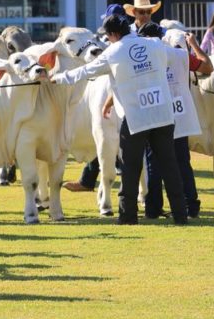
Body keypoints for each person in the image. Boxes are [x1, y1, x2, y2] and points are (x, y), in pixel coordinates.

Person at [52, 15, 188, 225]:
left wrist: (57, 78)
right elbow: (180, 55)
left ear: (113, 35)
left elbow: (84, 71)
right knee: (169, 165)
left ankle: (128, 216)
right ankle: (180, 214)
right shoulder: (154, 44)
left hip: (136, 118)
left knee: (130, 169)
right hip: (163, 114)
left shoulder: (113, 52)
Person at [140, 23, 212, 219]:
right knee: (182, 164)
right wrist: (194, 44)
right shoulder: (178, 55)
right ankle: (191, 206)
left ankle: (153, 209)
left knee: (154, 165)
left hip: (154, 116)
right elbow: (207, 66)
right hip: (178, 117)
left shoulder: (140, 59)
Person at [64, 3, 130, 193]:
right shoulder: (105, 42)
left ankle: (139, 192)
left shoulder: (115, 44)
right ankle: (87, 180)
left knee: (118, 142)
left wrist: (63, 78)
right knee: (103, 138)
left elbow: (92, 69)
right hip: (109, 95)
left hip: (123, 97)